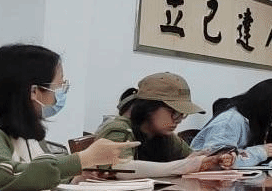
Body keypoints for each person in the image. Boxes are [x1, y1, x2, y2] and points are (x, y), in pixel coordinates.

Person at [0, 44, 138, 191]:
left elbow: (34, 179)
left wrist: (75, 179)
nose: (60, 94)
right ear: (34, 91)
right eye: (59, 86)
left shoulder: (28, 135)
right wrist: (82, 159)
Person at [94, 73, 231, 177]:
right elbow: (121, 169)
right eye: (174, 112)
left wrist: (216, 159)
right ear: (149, 108)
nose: (179, 120)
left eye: (182, 114)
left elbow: (191, 159)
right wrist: (183, 166)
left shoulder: (166, 136)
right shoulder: (118, 129)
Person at [190, 78, 272, 168]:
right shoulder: (229, 121)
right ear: (260, 109)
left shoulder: (251, 123)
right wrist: (261, 152)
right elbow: (220, 162)